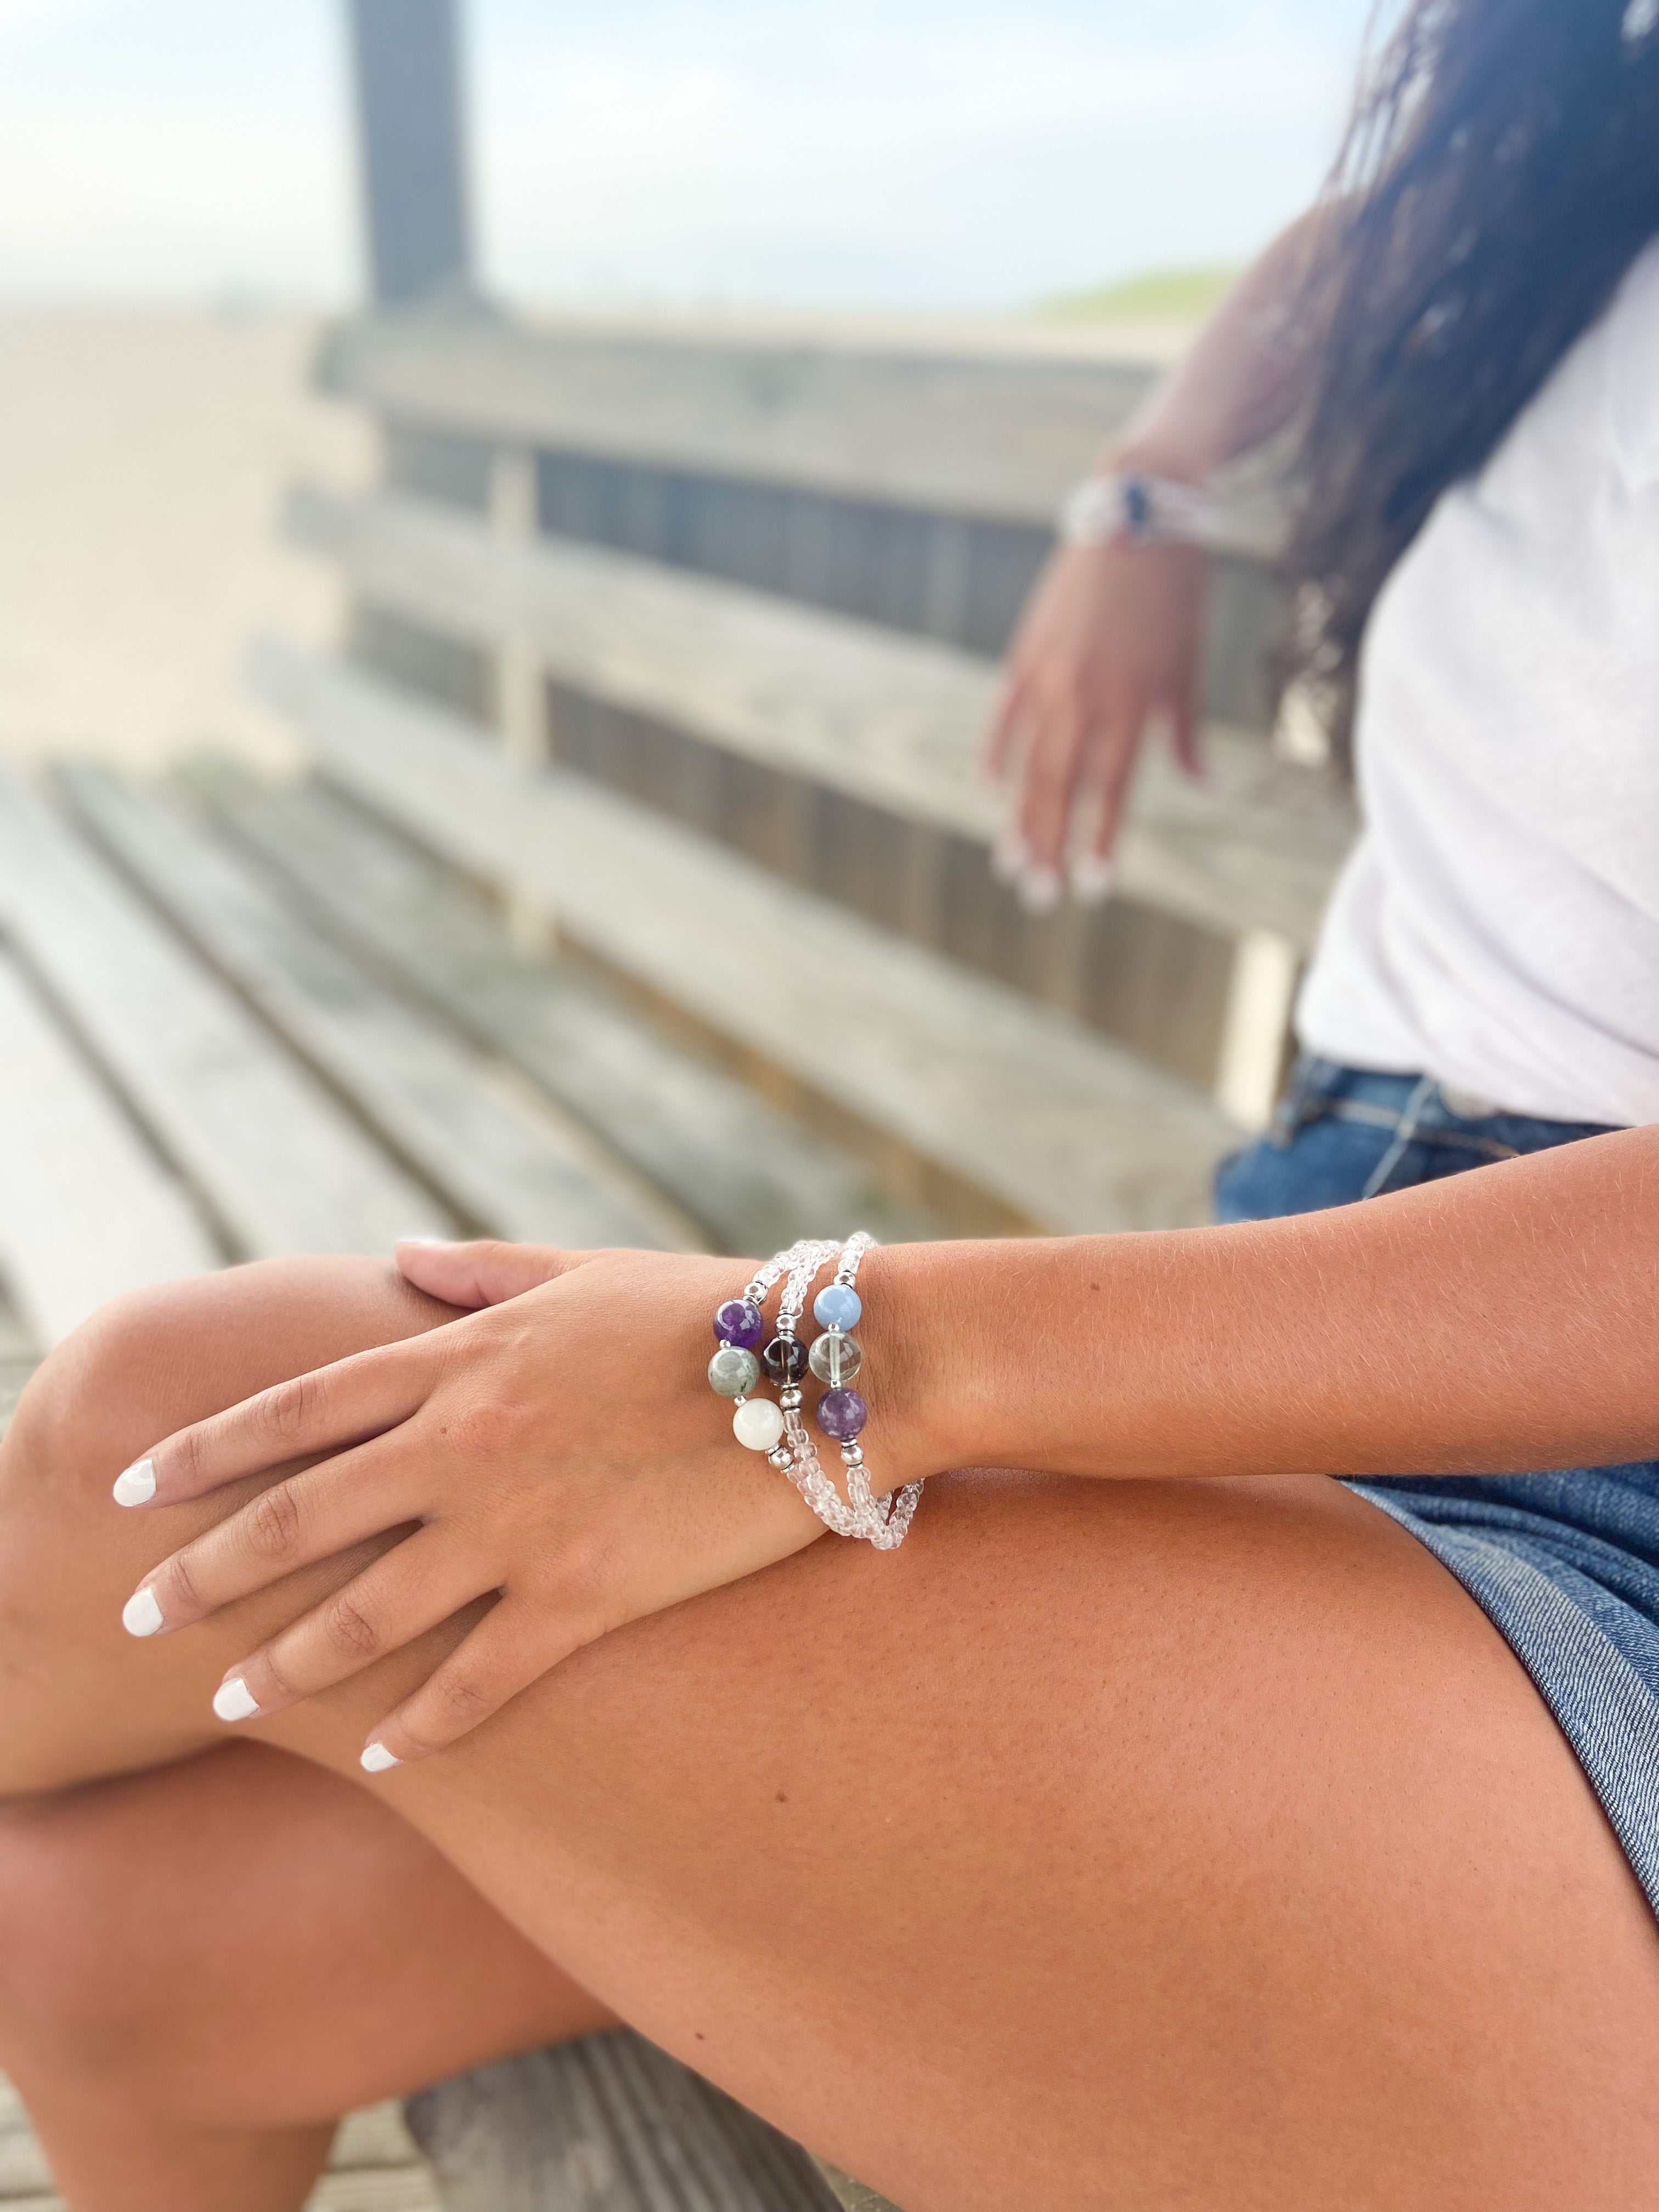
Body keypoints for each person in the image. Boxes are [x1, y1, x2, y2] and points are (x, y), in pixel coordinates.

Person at [2, 3, 1657, 2208]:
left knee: (192, 1422)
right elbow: (1374, 236)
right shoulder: (1592, 142)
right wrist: (1145, 489)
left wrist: (850, 1358)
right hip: (1330, 1310)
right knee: (119, 1946)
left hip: (1602, 1551)